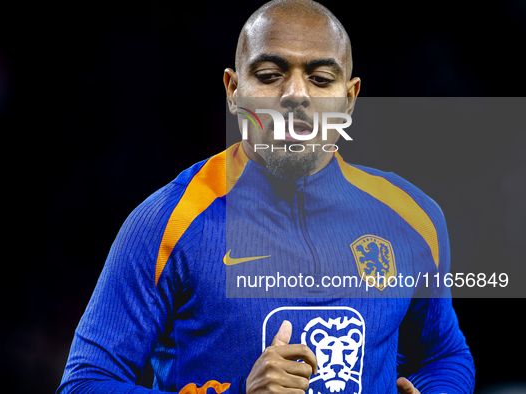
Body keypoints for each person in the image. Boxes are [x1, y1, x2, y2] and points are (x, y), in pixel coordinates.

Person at [57, 1, 475, 393]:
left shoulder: (411, 217)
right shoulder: (166, 224)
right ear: (233, 91)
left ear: (349, 100)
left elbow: (444, 354)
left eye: (321, 78)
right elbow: (85, 381)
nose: (296, 94)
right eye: (270, 75)